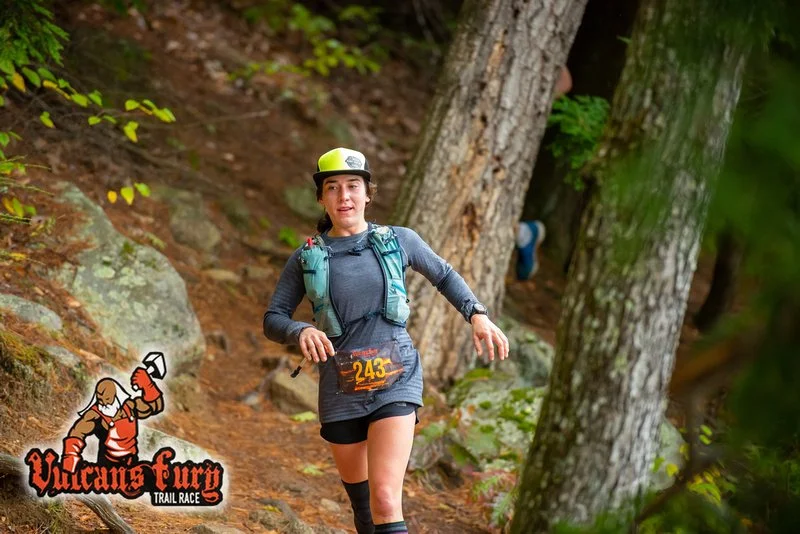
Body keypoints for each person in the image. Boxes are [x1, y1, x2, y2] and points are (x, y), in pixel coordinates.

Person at [263, 147, 509, 534]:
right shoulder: (306, 257)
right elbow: (273, 318)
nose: (344, 196)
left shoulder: (399, 240)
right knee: (363, 505)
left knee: (384, 497)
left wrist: (476, 315)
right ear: (322, 197)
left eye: (353, 186)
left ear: (367, 193)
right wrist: (302, 330)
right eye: (334, 188)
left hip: (396, 378)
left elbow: (444, 275)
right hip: (340, 386)